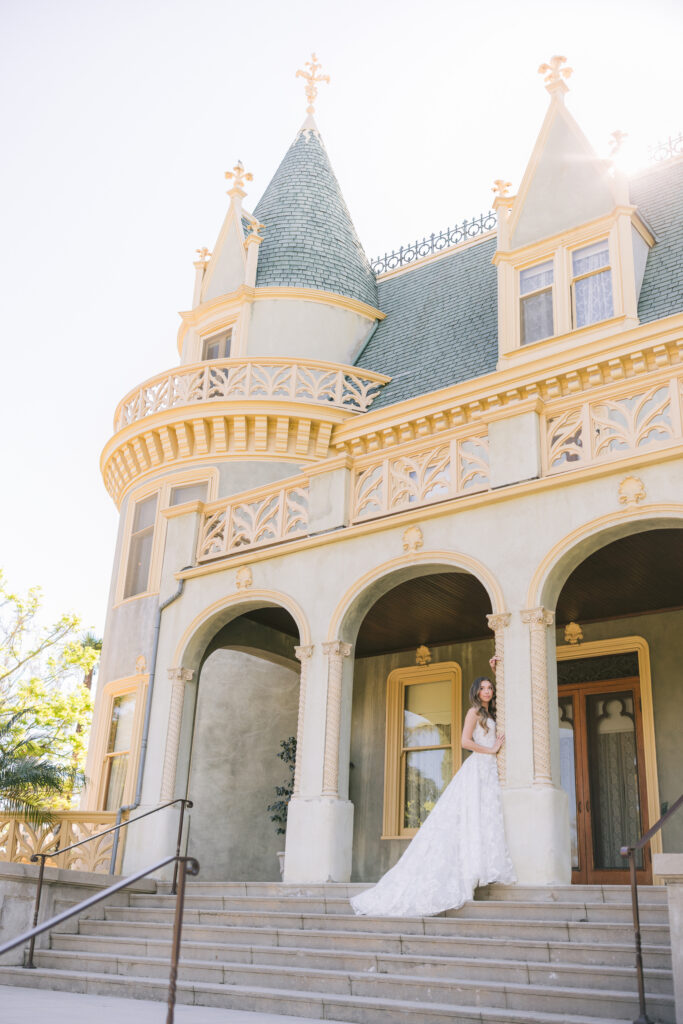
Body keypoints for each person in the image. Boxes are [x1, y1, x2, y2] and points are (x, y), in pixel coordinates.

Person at [350, 658, 515, 917]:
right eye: (483, 688)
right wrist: (491, 749)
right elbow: (464, 741)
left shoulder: (492, 712)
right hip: (478, 768)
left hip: (489, 771)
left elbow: (509, 696)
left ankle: (479, 868)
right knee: (470, 817)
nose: (487, 691)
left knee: (484, 819)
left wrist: (497, 670)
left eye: (490, 687)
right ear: (476, 692)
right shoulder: (473, 713)